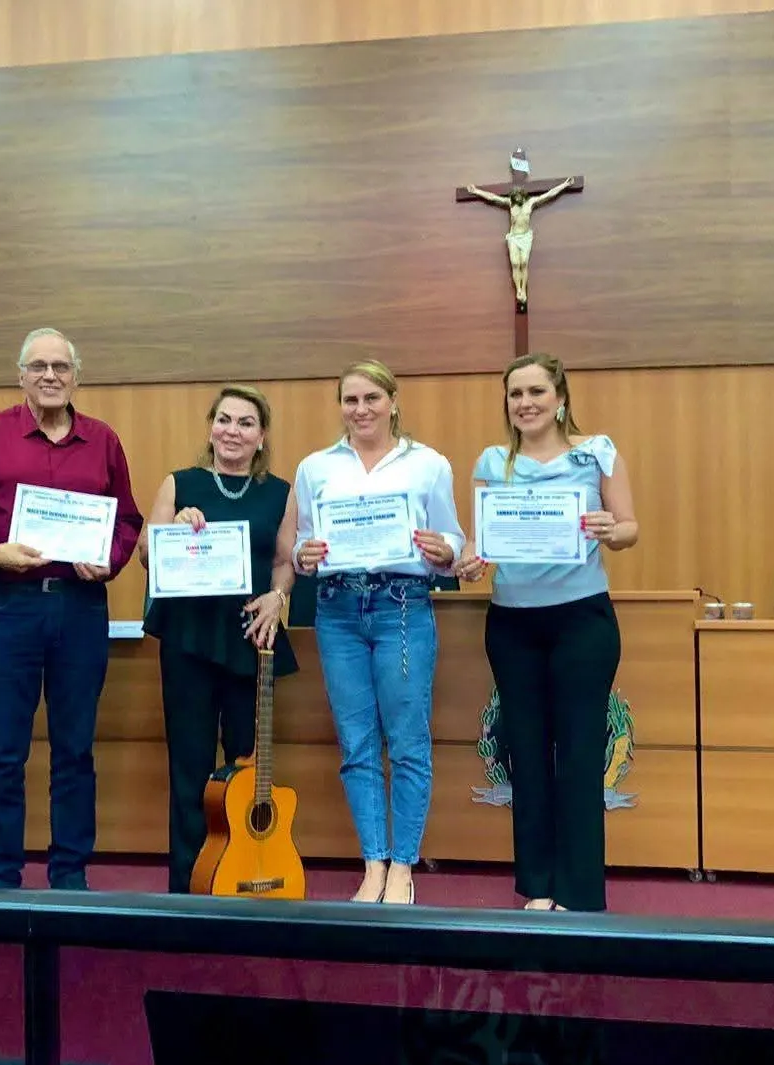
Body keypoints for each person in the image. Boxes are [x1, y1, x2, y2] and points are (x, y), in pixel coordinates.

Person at [0, 327, 143, 891]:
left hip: (79, 609)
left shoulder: (103, 440)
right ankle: (0, 878)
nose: (50, 376)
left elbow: (127, 520)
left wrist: (112, 560)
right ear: (20, 374)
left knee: (75, 750)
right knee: (3, 752)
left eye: (61, 367)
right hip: (6, 607)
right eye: (39, 367)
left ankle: (69, 875)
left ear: (77, 375)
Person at [455, 353, 639, 913]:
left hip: (581, 620)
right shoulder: (491, 461)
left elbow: (630, 528)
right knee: (526, 755)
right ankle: (536, 886)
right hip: (512, 624)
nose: (525, 403)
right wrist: (469, 560)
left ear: (560, 397)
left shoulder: (596, 453)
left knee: (579, 756)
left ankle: (579, 893)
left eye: (536, 391)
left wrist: (613, 530)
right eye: (515, 394)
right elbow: (479, 545)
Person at [292, 360, 464, 905]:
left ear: (393, 400)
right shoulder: (316, 466)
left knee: (408, 742)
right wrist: (305, 554)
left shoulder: (428, 464)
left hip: (402, 607)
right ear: (339, 406)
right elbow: (299, 546)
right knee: (357, 743)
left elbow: (453, 539)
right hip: (337, 609)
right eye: (350, 400)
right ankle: (372, 862)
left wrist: (446, 551)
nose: (361, 410)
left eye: (371, 398)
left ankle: (403, 868)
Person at [139, 384, 298, 894]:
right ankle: (189, 883)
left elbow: (283, 561)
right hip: (188, 638)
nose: (233, 430)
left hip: (251, 638)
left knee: (247, 766)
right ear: (211, 427)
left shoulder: (280, 491)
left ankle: (244, 873)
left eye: (245, 423)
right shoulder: (179, 483)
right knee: (189, 764)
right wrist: (174, 525)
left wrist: (279, 597)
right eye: (224, 420)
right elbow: (146, 554)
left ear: (262, 435)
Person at [460, 177, 576, 311]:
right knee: (515, 263)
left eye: (519, 196)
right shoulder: (510, 204)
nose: (517, 198)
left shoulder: (531, 203)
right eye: (515, 196)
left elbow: (549, 194)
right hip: (514, 237)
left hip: (526, 237)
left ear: (523, 195)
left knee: (524, 262)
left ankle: (524, 290)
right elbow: (492, 198)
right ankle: (519, 290)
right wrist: (476, 191)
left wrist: (565, 185)